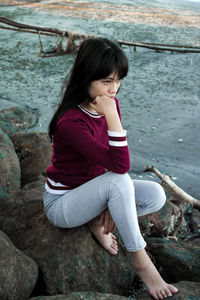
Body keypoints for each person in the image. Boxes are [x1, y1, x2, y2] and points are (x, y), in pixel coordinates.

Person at [43, 37, 178, 300]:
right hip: (62, 203)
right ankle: (141, 261)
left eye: (118, 80)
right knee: (120, 180)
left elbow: (113, 163)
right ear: (86, 78)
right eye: (107, 81)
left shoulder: (108, 102)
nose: (114, 88)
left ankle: (97, 220)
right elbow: (121, 165)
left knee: (156, 194)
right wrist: (113, 117)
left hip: (92, 192)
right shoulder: (71, 122)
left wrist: (108, 205)